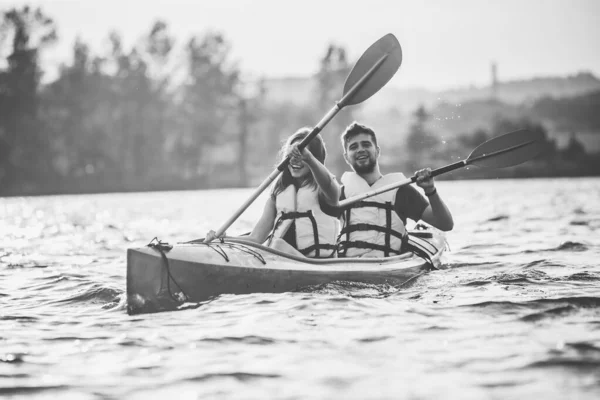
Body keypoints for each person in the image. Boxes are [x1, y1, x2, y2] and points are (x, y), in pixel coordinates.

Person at [205, 127, 340, 258]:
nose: (295, 160)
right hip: (278, 258)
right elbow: (256, 238)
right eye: (291, 155)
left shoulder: (326, 189)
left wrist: (309, 158)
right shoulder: (278, 192)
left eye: (300, 156)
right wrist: (224, 240)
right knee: (276, 245)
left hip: (316, 264)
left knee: (278, 245)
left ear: (314, 158)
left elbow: (331, 188)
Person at [337, 122, 454, 258]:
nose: (360, 150)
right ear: (346, 157)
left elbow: (445, 224)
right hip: (347, 267)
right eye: (353, 147)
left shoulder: (401, 191)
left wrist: (430, 190)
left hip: (391, 266)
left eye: (366, 144)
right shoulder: (339, 194)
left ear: (377, 151)